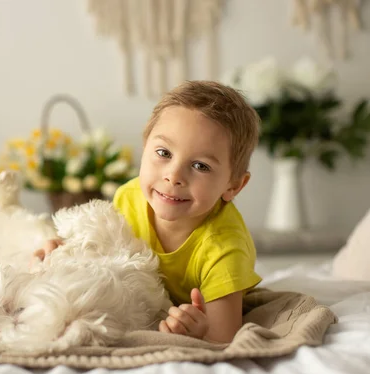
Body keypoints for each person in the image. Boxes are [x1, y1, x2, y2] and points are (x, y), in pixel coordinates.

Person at [34, 80, 262, 343]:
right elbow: (99, 253)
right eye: (164, 152)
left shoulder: (224, 249)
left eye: (200, 166)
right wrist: (59, 254)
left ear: (234, 185)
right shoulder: (129, 197)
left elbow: (223, 338)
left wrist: (199, 331)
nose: (173, 176)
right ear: (144, 148)